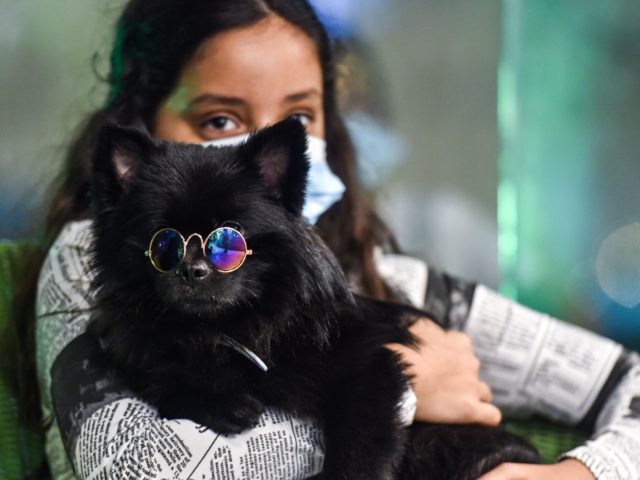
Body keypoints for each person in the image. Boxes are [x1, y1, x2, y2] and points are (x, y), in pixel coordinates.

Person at [26, 1, 640, 479]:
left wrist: (579, 470)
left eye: (298, 118)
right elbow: (139, 466)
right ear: (145, 116)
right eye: (220, 119)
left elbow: (626, 380)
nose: (256, 143)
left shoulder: (396, 281)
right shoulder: (87, 261)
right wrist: (406, 394)